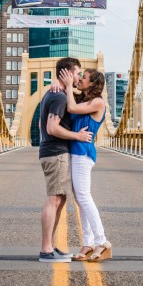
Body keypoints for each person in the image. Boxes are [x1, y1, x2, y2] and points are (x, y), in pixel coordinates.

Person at [38, 57, 93, 263]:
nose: (79, 77)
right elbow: (52, 128)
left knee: (60, 199)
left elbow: (41, 126)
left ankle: (51, 247)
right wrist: (77, 136)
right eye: (77, 73)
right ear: (67, 73)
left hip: (54, 152)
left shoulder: (56, 94)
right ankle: (45, 250)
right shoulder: (58, 97)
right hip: (55, 153)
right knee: (54, 199)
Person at [58, 67, 112, 262]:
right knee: (80, 200)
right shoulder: (83, 99)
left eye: (84, 77)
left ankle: (102, 241)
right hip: (75, 152)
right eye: (80, 76)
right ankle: (87, 243)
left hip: (83, 153)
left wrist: (68, 86)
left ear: (93, 84)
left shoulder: (98, 102)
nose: (80, 79)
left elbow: (71, 109)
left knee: (83, 196)